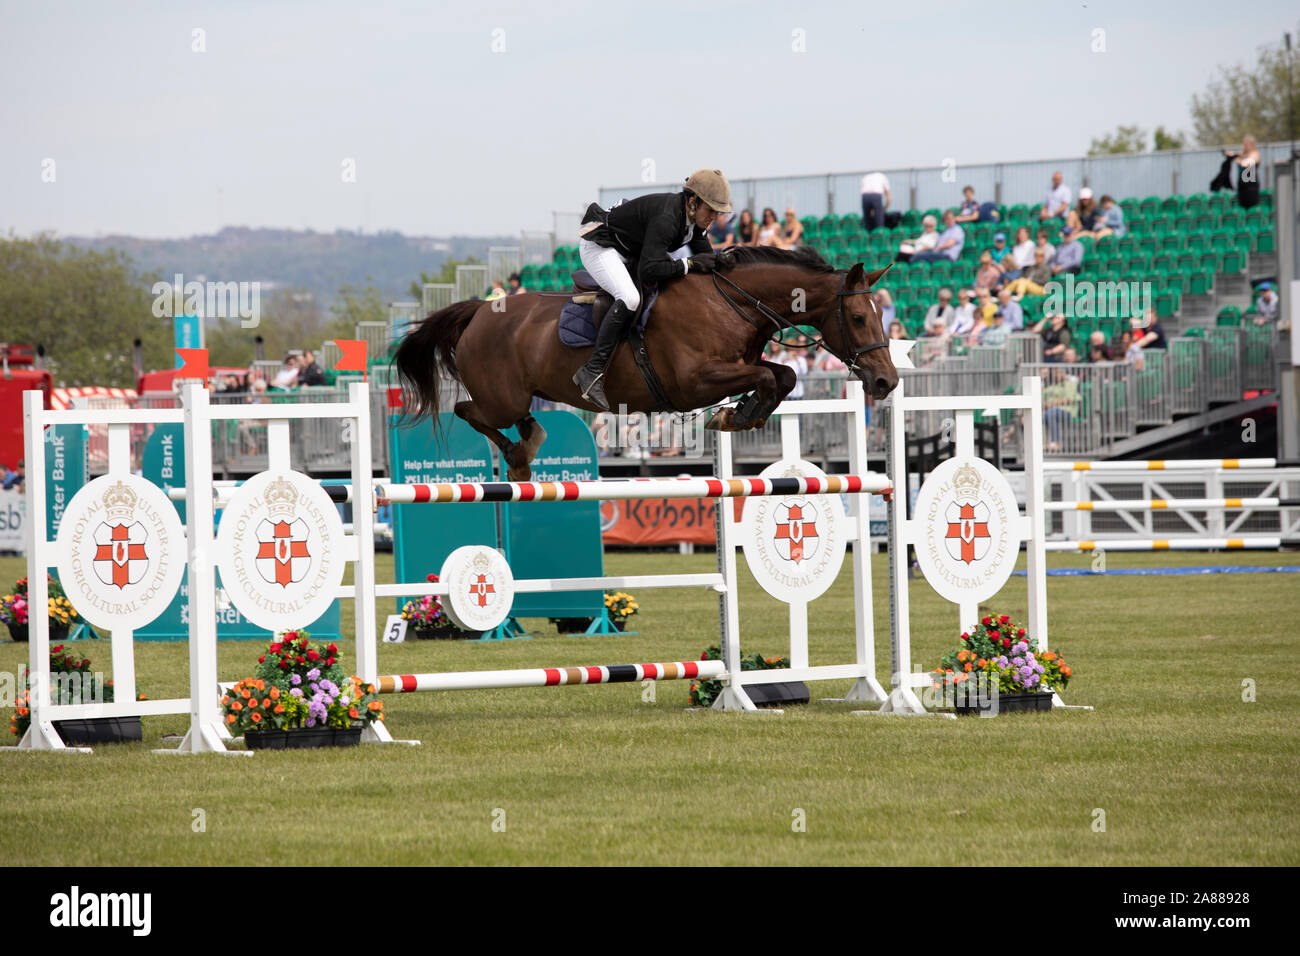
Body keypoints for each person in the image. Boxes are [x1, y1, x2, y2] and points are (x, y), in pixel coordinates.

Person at [573, 168, 733, 410]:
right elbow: (650, 270)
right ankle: (591, 371)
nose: (714, 216)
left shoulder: (694, 220)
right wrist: (687, 264)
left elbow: (706, 257)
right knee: (630, 298)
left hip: (630, 251)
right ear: (692, 201)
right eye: (710, 210)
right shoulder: (667, 218)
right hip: (601, 247)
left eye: (717, 212)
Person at [1042, 363, 1080, 452]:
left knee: (1051, 412)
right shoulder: (1049, 386)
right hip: (1049, 412)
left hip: (1067, 411)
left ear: (1064, 373)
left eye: (1059, 372)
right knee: (1031, 416)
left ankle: (1055, 442)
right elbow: (1041, 400)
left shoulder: (1069, 384)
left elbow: (1068, 399)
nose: (1057, 374)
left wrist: (1051, 404)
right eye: (1055, 373)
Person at [1228, 135, 1262, 209]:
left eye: (1247, 144)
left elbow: (1247, 163)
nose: (1245, 146)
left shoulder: (1255, 154)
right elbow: (1238, 156)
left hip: (1251, 186)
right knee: (1243, 208)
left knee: (1252, 208)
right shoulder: (1243, 154)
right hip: (1242, 186)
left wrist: (1235, 159)